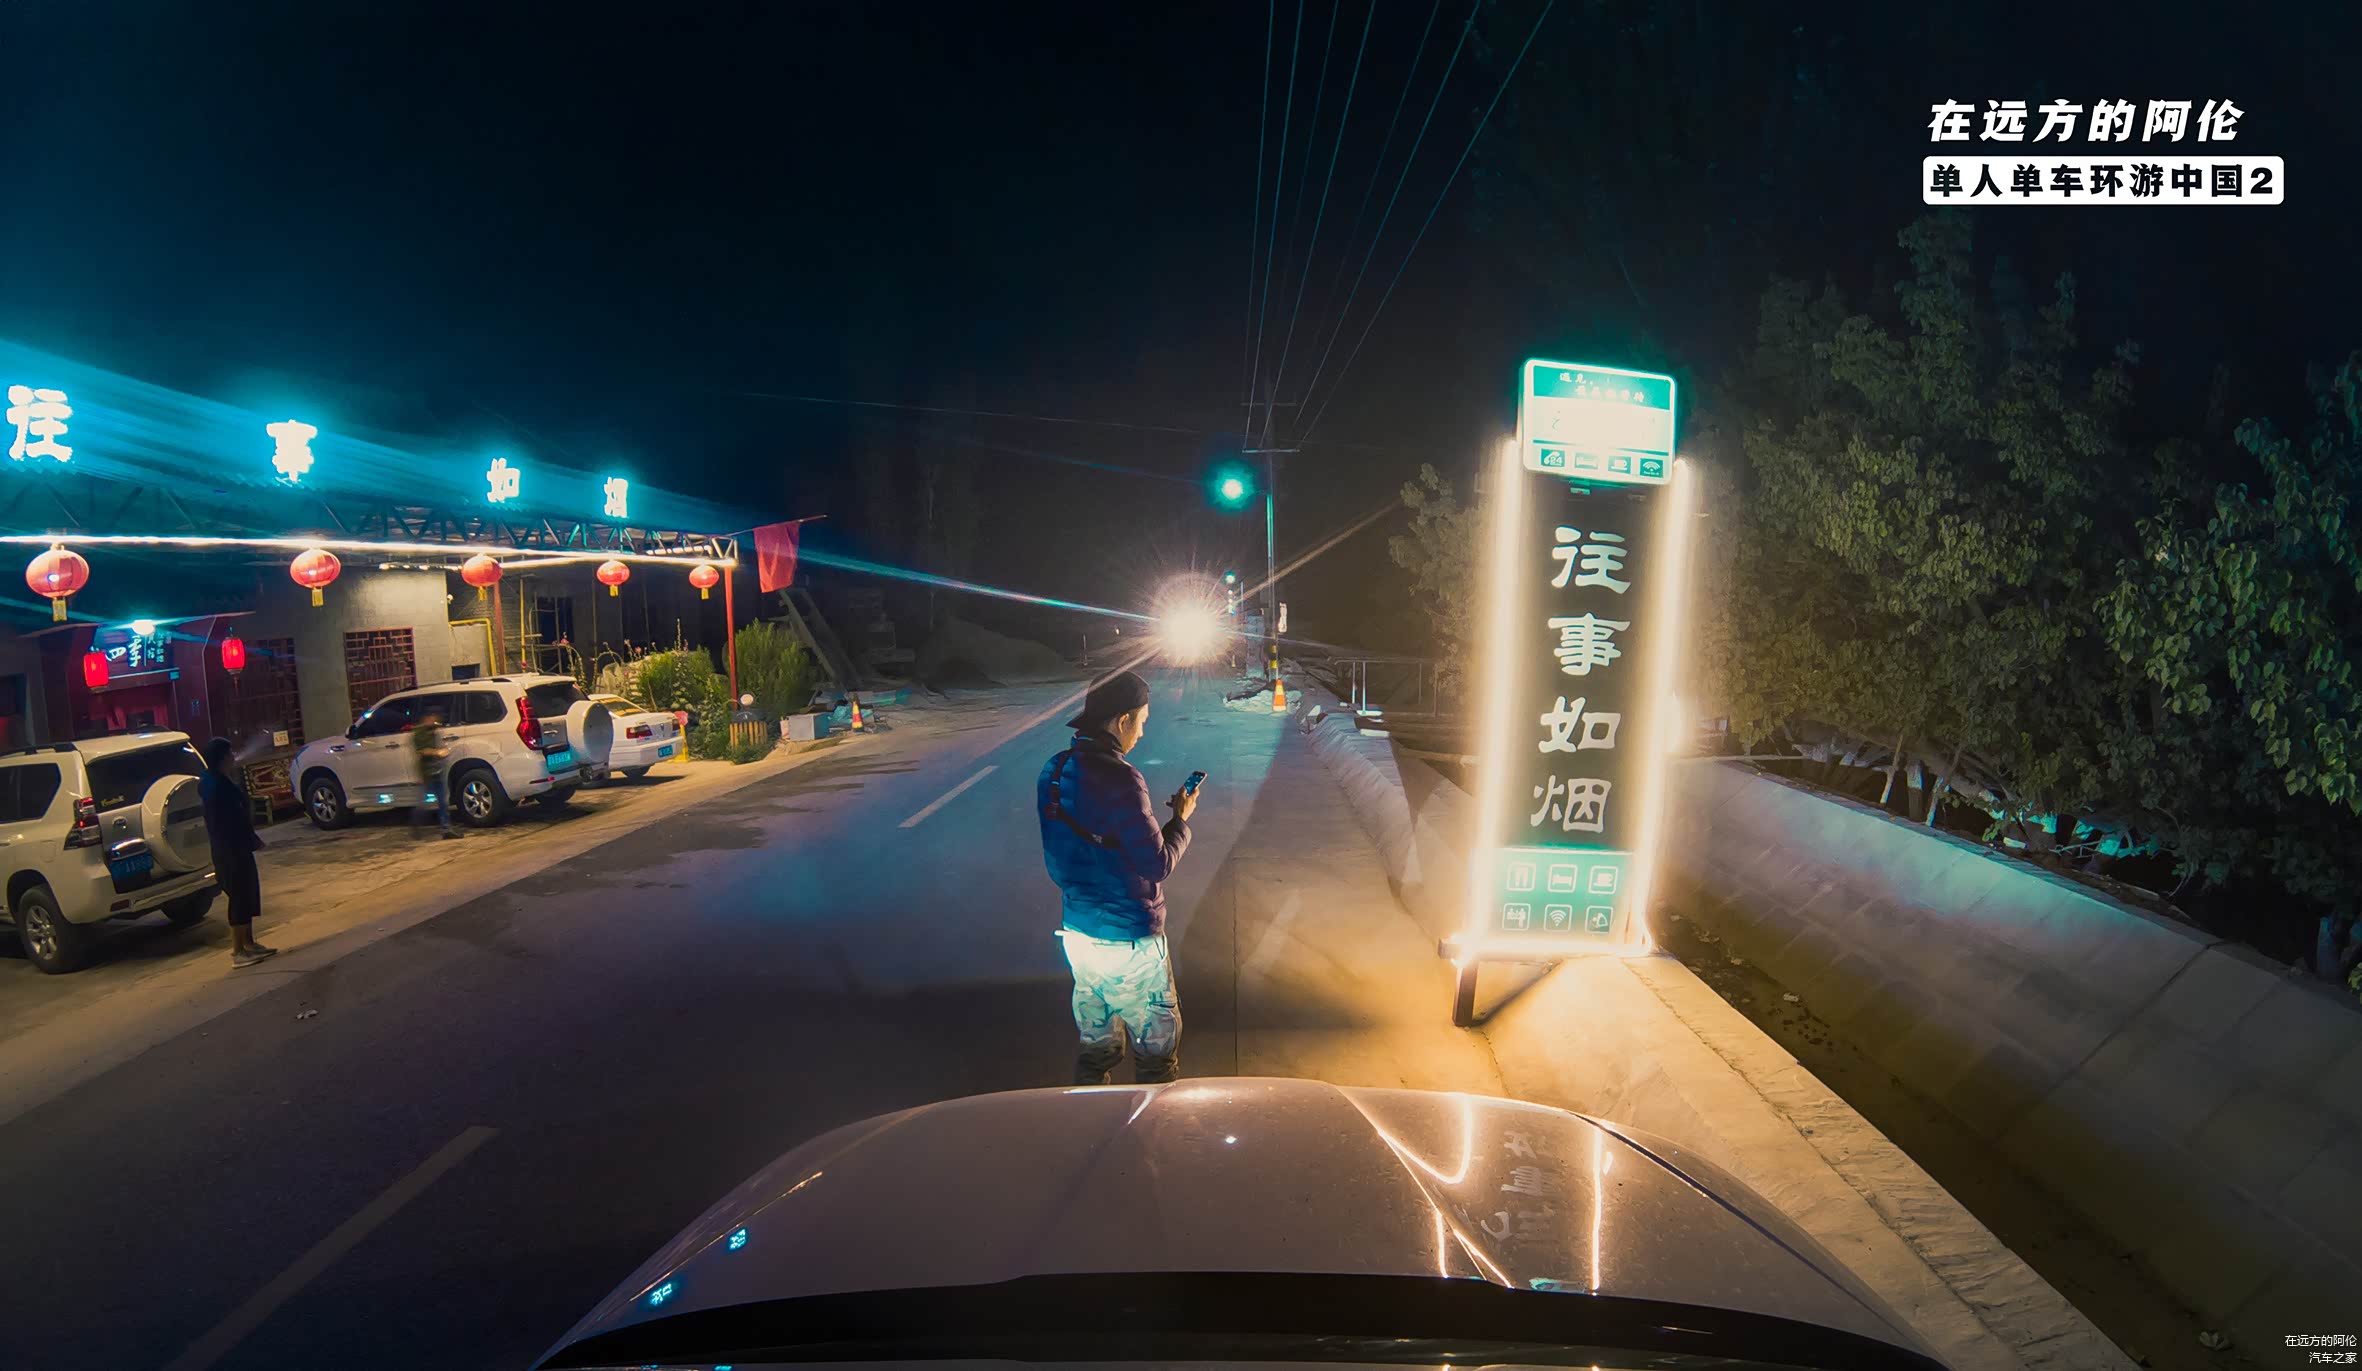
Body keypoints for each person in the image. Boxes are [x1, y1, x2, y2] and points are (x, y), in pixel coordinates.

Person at [1036, 670, 1198, 1084]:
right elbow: (1156, 864)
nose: (1141, 733)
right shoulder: (1122, 778)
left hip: (1079, 936)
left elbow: (1061, 856)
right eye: (1141, 721)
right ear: (1123, 720)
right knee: (1157, 1053)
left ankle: (1089, 1114)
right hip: (1131, 942)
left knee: (1096, 1048)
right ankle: (1151, 1122)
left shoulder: (1054, 771)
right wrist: (1180, 821)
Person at [198, 737, 277, 968]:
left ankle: (249, 943)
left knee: (248, 892)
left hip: (238, 846)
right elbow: (228, 820)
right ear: (222, 758)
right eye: (230, 753)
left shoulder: (220, 781)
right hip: (229, 849)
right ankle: (238, 951)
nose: (234, 756)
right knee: (239, 897)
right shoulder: (215, 786)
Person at [410, 708, 457, 838]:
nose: (435, 720)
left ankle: (446, 829)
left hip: (438, 770)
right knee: (423, 804)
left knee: (443, 801)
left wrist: (443, 752)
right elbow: (420, 751)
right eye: (432, 717)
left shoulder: (435, 731)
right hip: (427, 772)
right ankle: (416, 824)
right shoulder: (419, 733)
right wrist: (436, 752)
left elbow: (441, 746)